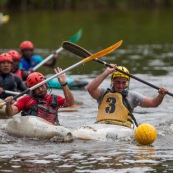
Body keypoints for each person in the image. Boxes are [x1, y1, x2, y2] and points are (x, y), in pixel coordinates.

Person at [87, 65, 168, 128]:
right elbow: (90, 89)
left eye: (123, 82)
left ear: (127, 83)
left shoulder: (132, 96)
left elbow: (154, 103)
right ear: (112, 81)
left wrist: (161, 95)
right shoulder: (102, 93)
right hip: (102, 126)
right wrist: (106, 72)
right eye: (117, 82)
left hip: (123, 128)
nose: (121, 86)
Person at [5, 69, 74, 125]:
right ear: (32, 89)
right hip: (33, 131)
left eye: (42, 85)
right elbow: (11, 113)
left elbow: (70, 103)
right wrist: (8, 104)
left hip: (52, 129)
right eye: (37, 88)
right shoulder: (26, 100)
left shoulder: (54, 99)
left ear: (46, 85)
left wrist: (64, 84)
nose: (41, 89)